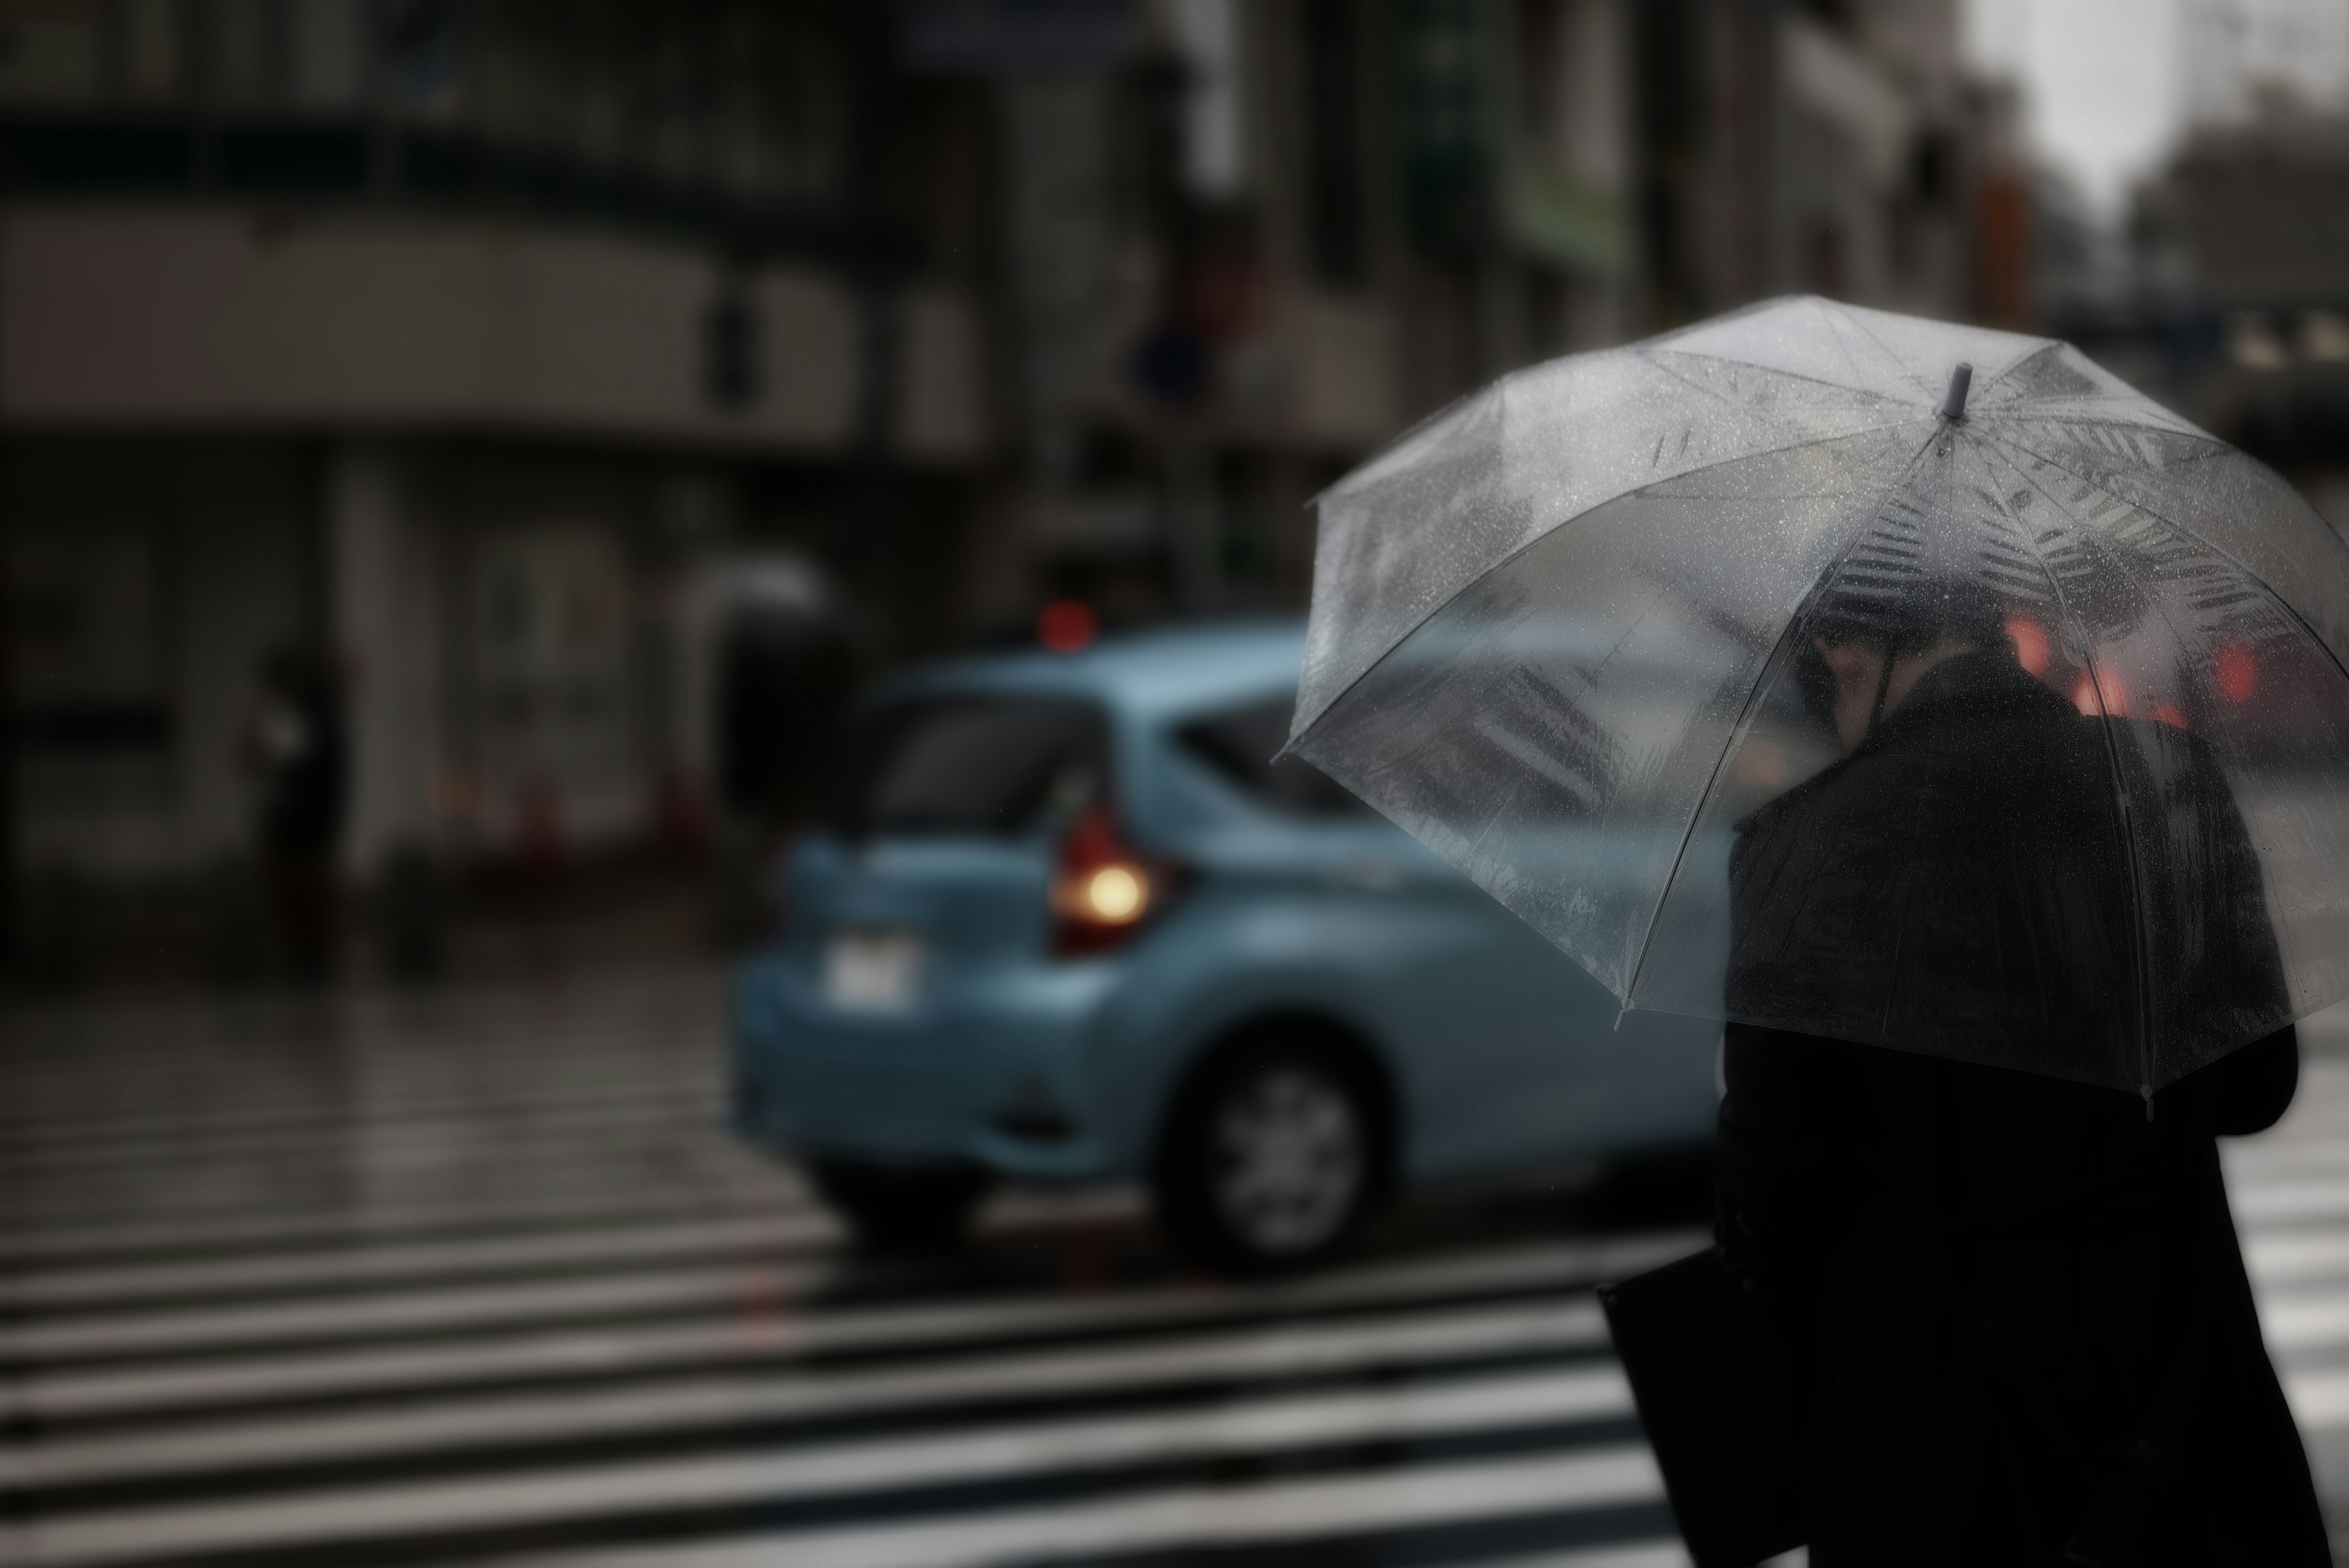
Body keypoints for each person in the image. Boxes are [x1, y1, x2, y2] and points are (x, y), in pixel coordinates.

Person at [1715, 583, 2327, 1564]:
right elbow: (2258, 1086)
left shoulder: (1801, 852)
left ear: (1847, 651)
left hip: (1934, 1463)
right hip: (2175, 1432)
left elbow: (1773, 1201)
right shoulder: (2166, 784)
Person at [244, 644, 349, 983]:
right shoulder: (322, 713)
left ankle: (308, 965)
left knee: (299, 896)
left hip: (298, 825)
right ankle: (310, 962)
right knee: (307, 896)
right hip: (311, 822)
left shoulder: (303, 713)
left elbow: (260, 758)